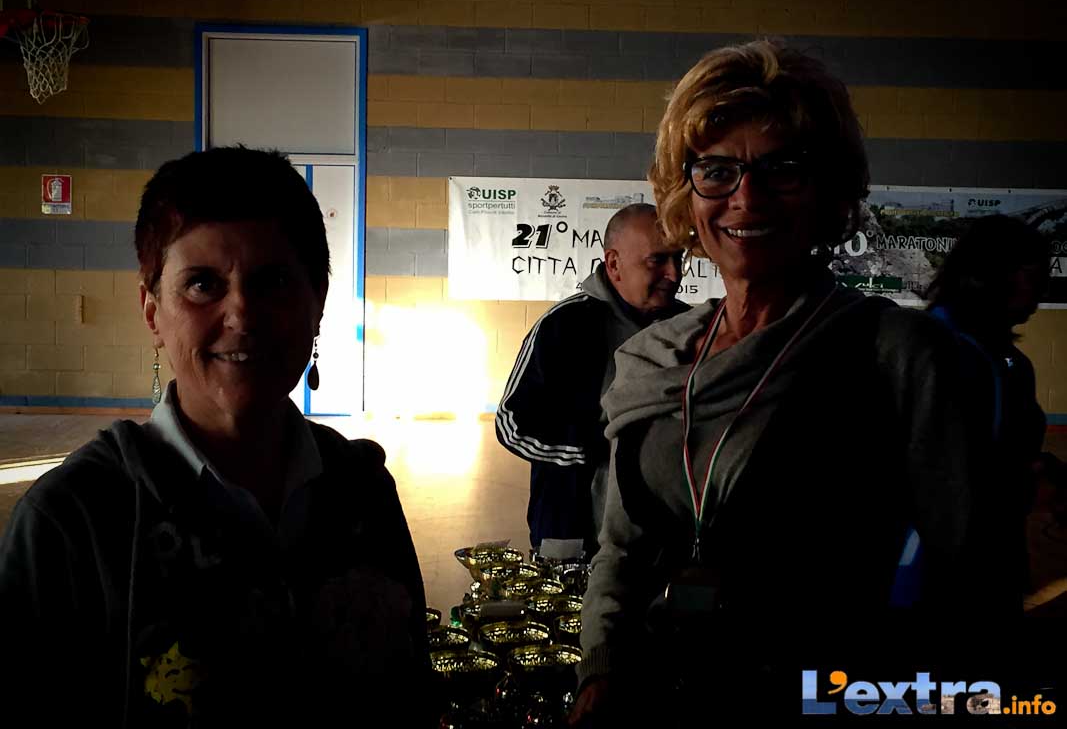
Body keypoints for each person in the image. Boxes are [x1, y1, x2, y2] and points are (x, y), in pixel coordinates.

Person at [571, 40, 976, 725]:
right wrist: (600, 673)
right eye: (717, 171)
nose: (746, 197)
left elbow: (968, 582)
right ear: (686, 191)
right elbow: (622, 547)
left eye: (782, 169)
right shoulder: (651, 358)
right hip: (653, 697)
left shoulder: (899, 355)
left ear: (827, 190)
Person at [0, 147, 430, 727]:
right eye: (203, 284)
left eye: (273, 281)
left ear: (318, 304)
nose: (242, 315)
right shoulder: (71, 522)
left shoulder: (362, 490)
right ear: (152, 311)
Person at [496, 203, 689, 557]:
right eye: (657, 260)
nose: (674, 274)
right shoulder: (563, 325)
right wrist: (595, 445)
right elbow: (511, 424)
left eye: (679, 259)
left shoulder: (693, 328)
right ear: (613, 264)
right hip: (571, 535)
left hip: (666, 540)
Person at [926, 214, 1049, 613]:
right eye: (1033, 275)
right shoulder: (930, 351)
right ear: (991, 274)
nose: (1041, 290)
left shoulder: (1012, 362)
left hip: (994, 560)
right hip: (947, 577)